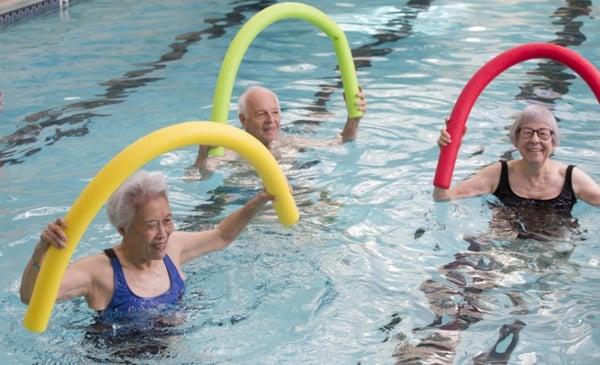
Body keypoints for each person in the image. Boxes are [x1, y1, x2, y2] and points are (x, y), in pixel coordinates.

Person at [20, 170, 273, 320]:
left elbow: (221, 236)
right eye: (151, 225)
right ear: (123, 229)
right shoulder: (99, 272)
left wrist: (260, 200)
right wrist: (41, 250)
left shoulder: (173, 248)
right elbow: (31, 299)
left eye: (168, 220)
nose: (163, 233)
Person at [434, 104, 600, 208]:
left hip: (555, 248)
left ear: (553, 140)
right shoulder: (498, 173)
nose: (535, 140)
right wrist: (450, 149)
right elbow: (443, 198)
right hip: (505, 245)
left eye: (543, 133)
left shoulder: (571, 178)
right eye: (527, 133)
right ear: (516, 139)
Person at [190, 85, 367, 175]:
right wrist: (203, 152)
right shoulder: (232, 152)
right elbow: (196, 177)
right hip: (251, 199)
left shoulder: (288, 141)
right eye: (261, 114)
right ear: (243, 120)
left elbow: (341, 142)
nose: (271, 120)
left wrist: (353, 119)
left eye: (275, 113)